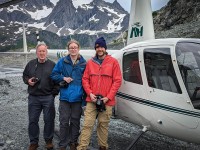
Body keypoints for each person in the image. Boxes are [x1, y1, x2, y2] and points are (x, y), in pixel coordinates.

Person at [77, 37, 122, 150]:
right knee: (87, 124)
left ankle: (103, 147)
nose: (100, 49)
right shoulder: (90, 63)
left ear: (105, 48)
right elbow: (85, 79)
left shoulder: (113, 62)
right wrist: (90, 93)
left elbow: (117, 81)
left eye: (101, 47)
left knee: (103, 125)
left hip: (107, 101)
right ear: (95, 49)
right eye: (97, 47)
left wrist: (109, 97)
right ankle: (82, 147)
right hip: (91, 99)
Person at [22, 42, 59, 150]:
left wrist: (53, 94)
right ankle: (34, 142)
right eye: (40, 51)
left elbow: (57, 81)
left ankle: (48, 141)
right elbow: (24, 76)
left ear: (46, 52)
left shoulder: (53, 65)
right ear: (37, 53)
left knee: (49, 120)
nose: (41, 53)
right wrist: (28, 81)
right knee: (33, 120)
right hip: (34, 97)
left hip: (48, 97)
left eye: (43, 51)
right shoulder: (30, 64)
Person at [50, 40, 86, 150]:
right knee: (64, 121)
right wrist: (63, 78)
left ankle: (73, 142)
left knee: (75, 121)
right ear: (68, 49)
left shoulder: (84, 63)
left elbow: (87, 81)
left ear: (78, 49)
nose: (73, 49)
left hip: (78, 98)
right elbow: (53, 75)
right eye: (71, 48)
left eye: (75, 47)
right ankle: (63, 144)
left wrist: (84, 100)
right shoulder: (62, 61)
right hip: (65, 97)